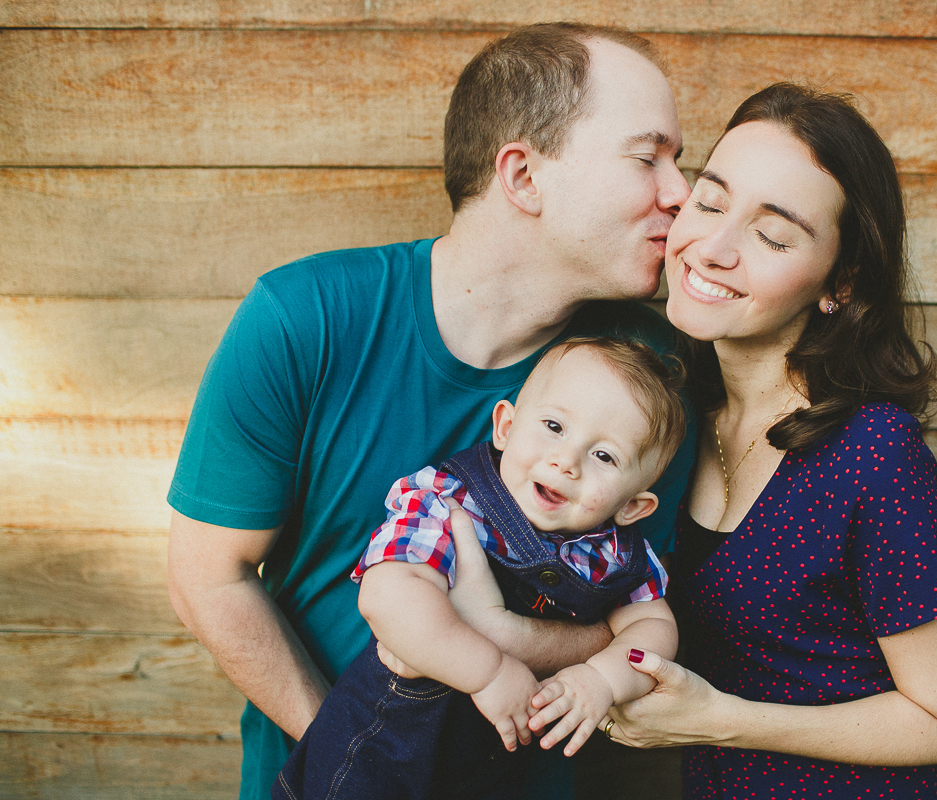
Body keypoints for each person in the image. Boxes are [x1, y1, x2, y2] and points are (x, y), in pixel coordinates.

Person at [166, 23, 695, 800]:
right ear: (522, 175)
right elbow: (207, 581)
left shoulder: (651, 378)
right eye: (648, 157)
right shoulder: (305, 317)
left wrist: (504, 634)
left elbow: (641, 616)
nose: (680, 192)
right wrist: (354, 764)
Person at [592, 83, 937, 797]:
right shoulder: (676, 417)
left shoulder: (873, 454)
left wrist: (722, 720)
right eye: (710, 203)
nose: (711, 248)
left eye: (772, 236)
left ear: (839, 283)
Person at [273, 337, 685, 799]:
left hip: (490, 777)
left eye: (604, 456)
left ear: (633, 505)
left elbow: (654, 628)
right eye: (553, 426)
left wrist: (602, 679)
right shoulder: (446, 503)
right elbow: (387, 597)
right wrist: (488, 672)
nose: (566, 462)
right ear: (506, 426)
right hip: (379, 761)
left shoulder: (616, 555)